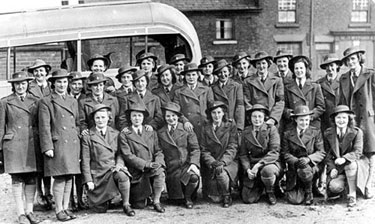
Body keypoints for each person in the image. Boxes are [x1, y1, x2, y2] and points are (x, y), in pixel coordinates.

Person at [38, 69, 80, 221]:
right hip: (58, 144)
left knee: (69, 177)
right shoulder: (46, 101)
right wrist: (47, 146)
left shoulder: (73, 100)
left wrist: (78, 136)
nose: (62, 84)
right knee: (60, 178)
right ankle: (58, 209)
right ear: (53, 83)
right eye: (59, 82)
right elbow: (44, 127)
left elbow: (77, 122)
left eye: (64, 81)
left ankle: (66, 207)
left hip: (72, 142)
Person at [0, 71, 41, 224]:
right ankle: (20, 213)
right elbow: (0, 128)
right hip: (13, 145)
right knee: (17, 178)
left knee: (31, 177)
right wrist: (0, 149)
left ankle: (30, 211)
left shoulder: (36, 101)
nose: (21, 86)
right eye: (17, 84)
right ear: (13, 85)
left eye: (23, 83)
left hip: (31, 143)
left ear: (28, 84)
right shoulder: (5, 102)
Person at [81, 104, 135, 216]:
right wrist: (88, 180)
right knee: (100, 210)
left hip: (112, 170)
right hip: (97, 175)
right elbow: (85, 160)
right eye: (97, 118)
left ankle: (126, 204)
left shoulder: (115, 133)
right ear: (94, 119)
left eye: (103, 117)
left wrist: (119, 165)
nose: (100, 120)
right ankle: (106, 199)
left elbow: (120, 154)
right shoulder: (88, 136)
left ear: (108, 118)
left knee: (123, 176)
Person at [338, 46, 375, 199]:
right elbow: (341, 100)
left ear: (359, 58)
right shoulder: (344, 78)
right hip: (352, 120)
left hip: (367, 119)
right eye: (348, 60)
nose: (350, 62)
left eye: (353, 58)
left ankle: (369, 185)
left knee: (371, 152)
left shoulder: (370, 74)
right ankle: (354, 186)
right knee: (354, 152)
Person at [119, 104, 166, 213]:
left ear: (143, 117)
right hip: (136, 170)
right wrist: (145, 164)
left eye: (139, 116)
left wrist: (158, 162)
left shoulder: (151, 132)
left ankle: (156, 201)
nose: (137, 118)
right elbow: (127, 155)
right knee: (139, 205)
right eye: (134, 116)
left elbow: (158, 150)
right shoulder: (125, 134)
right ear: (130, 118)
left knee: (160, 172)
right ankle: (142, 197)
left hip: (151, 168)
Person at [157, 102, 200, 209]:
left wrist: (194, 163)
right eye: (168, 116)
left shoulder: (186, 129)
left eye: (173, 116)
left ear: (178, 117)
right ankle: (177, 196)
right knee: (175, 200)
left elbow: (195, 149)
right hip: (170, 167)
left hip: (185, 165)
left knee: (193, 177)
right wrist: (161, 166)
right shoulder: (160, 132)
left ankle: (188, 197)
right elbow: (159, 151)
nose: (171, 118)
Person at [281, 105, 326, 205]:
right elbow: (285, 153)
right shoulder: (288, 134)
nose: (304, 123)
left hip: (312, 167)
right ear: (295, 120)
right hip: (295, 168)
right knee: (295, 200)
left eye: (307, 120)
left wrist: (308, 159)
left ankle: (309, 192)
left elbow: (321, 152)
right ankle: (301, 189)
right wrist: (297, 161)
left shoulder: (315, 132)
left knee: (305, 169)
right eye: (301, 120)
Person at [239, 104, 283, 205]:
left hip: (269, 162)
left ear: (264, 118)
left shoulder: (271, 129)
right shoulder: (246, 132)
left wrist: (258, 165)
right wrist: (247, 169)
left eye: (260, 116)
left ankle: (270, 191)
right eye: (254, 116)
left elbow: (274, 152)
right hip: (252, 164)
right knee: (248, 199)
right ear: (250, 118)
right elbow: (243, 154)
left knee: (268, 171)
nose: (257, 119)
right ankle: (259, 185)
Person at [200, 101, 239, 208]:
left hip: (228, 161)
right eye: (213, 113)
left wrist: (223, 161)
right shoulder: (205, 127)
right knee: (215, 198)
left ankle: (227, 195)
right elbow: (204, 149)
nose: (216, 116)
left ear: (223, 113)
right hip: (212, 162)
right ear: (210, 114)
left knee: (221, 173)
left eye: (219, 112)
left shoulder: (230, 125)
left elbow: (233, 146)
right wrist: (212, 162)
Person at [324, 105, 363, 207]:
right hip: (338, 168)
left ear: (349, 119)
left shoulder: (357, 132)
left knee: (351, 165)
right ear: (334, 119)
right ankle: (345, 187)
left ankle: (352, 194)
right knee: (334, 187)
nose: (341, 120)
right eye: (338, 117)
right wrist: (331, 168)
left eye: (344, 117)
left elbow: (357, 151)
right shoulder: (328, 133)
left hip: (353, 166)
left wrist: (344, 158)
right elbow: (327, 155)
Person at [27, 59, 54, 209]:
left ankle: (49, 192)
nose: (39, 73)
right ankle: (39, 193)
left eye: (41, 70)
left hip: (50, 129)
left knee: (48, 163)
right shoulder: (30, 88)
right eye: (36, 71)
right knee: (38, 165)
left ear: (46, 72)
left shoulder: (51, 87)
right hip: (36, 130)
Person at [173, 63, 214, 141]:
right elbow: (176, 110)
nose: (191, 77)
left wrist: (208, 122)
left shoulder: (207, 89)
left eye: (193, 75)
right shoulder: (178, 92)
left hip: (203, 125)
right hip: (187, 126)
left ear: (198, 75)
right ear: (184, 76)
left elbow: (211, 108)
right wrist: (185, 121)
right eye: (188, 75)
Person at [283, 55, 325, 130]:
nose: (299, 71)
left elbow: (321, 107)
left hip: (311, 124)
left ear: (306, 69)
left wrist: (310, 116)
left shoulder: (315, 86)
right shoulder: (287, 87)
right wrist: (290, 113)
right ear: (293, 70)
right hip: (293, 124)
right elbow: (284, 107)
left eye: (301, 68)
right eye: (296, 68)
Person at [243, 51, 285, 127]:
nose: (261, 66)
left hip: (271, 120)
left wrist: (273, 118)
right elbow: (247, 102)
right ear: (255, 65)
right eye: (258, 63)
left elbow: (280, 101)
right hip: (256, 120)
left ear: (268, 64)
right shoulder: (248, 81)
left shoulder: (277, 80)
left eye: (263, 63)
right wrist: (255, 118)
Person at [211, 59, 245, 132]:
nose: (223, 75)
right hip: (218, 122)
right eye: (220, 73)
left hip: (232, 122)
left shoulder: (237, 86)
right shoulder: (212, 88)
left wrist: (239, 126)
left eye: (225, 72)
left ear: (229, 72)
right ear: (217, 74)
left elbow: (240, 106)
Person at [317, 54, 342, 132]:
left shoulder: (343, 81)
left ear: (337, 66)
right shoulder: (319, 83)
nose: (329, 68)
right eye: (327, 66)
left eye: (332, 65)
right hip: (325, 121)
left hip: (340, 119)